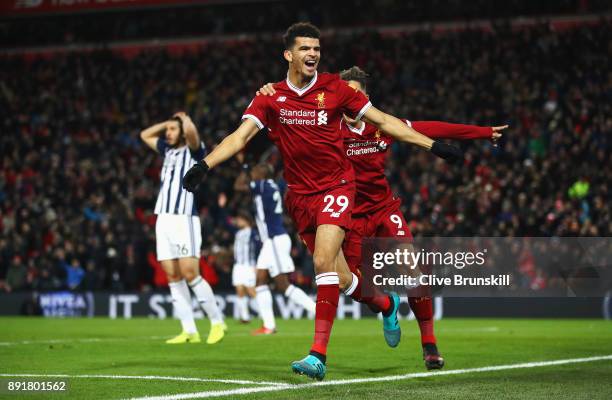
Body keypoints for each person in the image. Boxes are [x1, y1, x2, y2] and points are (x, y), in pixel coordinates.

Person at [182, 22, 462, 380]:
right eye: (305, 49)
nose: (313, 54)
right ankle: (386, 303)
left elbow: (384, 121)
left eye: (316, 48)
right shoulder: (271, 97)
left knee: (321, 260)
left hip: (337, 187)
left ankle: (317, 356)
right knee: (344, 279)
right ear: (288, 54)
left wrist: (433, 146)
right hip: (300, 196)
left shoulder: (336, 88)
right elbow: (240, 137)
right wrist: (204, 165)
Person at [257, 65, 507, 370]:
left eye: (356, 94)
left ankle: (429, 345)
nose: (349, 100)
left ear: (365, 98)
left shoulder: (380, 125)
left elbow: (430, 128)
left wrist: (481, 133)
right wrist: (267, 92)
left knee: (410, 266)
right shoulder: (325, 127)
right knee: (346, 282)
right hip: (344, 214)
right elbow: (278, 124)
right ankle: (387, 305)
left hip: (382, 209)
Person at [140, 112, 226, 345]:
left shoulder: (194, 151)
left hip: (184, 217)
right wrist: (166, 123)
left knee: (190, 273)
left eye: (172, 130)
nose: (167, 133)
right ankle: (189, 330)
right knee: (172, 275)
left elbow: (193, 136)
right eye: (167, 130)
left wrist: (185, 120)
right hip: (163, 218)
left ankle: (217, 322)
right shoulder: (167, 151)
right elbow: (144, 134)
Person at [236, 163, 316, 335]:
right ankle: (268, 325)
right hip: (270, 242)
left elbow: (239, 185)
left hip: (275, 240)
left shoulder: (263, 184)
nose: (253, 173)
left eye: (255, 170)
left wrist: (244, 168)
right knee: (260, 281)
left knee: (283, 285)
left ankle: (317, 310)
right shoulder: (270, 185)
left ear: (262, 173)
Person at [231, 211, 259, 323]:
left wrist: (257, 264)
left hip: (249, 265)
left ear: (246, 220)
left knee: (251, 290)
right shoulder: (238, 233)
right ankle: (245, 317)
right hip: (238, 265)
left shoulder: (253, 233)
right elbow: (227, 222)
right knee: (239, 290)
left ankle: (266, 315)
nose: (238, 222)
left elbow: (258, 248)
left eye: (240, 220)